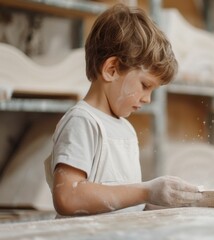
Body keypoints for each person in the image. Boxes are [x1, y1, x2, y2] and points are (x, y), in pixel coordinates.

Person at [44, 3, 202, 216]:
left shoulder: (125, 128)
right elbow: (67, 197)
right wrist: (146, 191)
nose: (147, 99)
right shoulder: (82, 121)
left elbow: (124, 200)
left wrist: (158, 201)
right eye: (145, 86)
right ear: (112, 70)